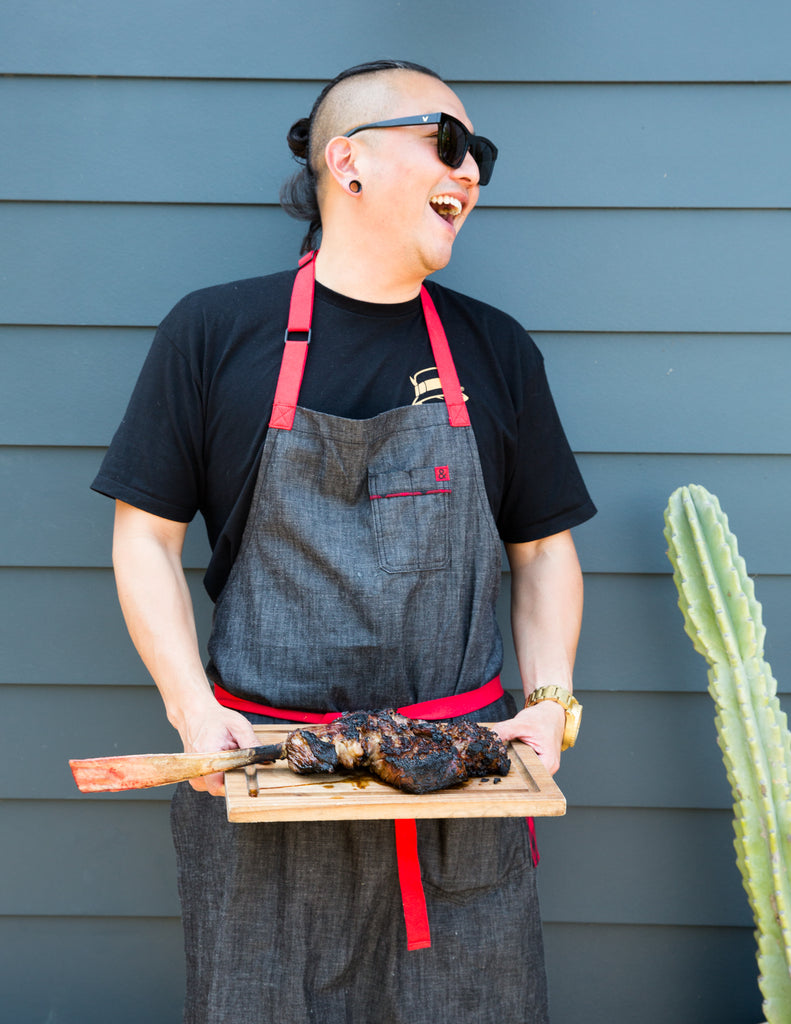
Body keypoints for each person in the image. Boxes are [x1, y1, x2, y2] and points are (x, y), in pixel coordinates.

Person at [92, 58, 596, 1024]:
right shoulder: (215, 333)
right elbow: (142, 541)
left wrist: (549, 704)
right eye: (447, 143)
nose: (472, 172)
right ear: (348, 161)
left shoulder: (495, 350)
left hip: (457, 795)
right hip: (264, 787)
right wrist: (196, 716)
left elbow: (540, 551)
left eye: (480, 155)